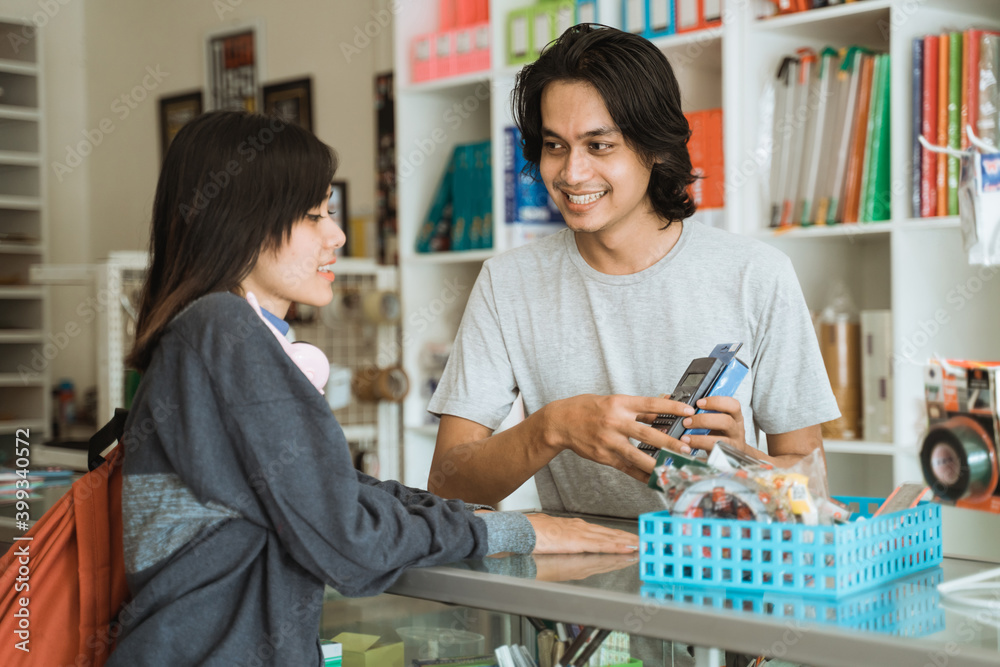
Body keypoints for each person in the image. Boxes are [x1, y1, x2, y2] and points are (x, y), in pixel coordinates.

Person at [107, 110, 638, 667]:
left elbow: (340, 494)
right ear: (239, 224)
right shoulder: (224, 331)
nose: (335, 235)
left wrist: (495, 525)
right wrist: (511, 530)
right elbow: (350, 541)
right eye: (313, 216)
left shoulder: (208, 334)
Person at [427, 24, 840, 518]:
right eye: (555, 145)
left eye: (599, 146)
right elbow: (448, 484)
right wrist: (553, 427)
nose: (572, 173)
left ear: (656, 147)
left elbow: (811, 487)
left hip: (722, 576)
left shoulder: (757, 275)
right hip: (582, 579)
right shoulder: (506, 283)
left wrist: (740, 459)